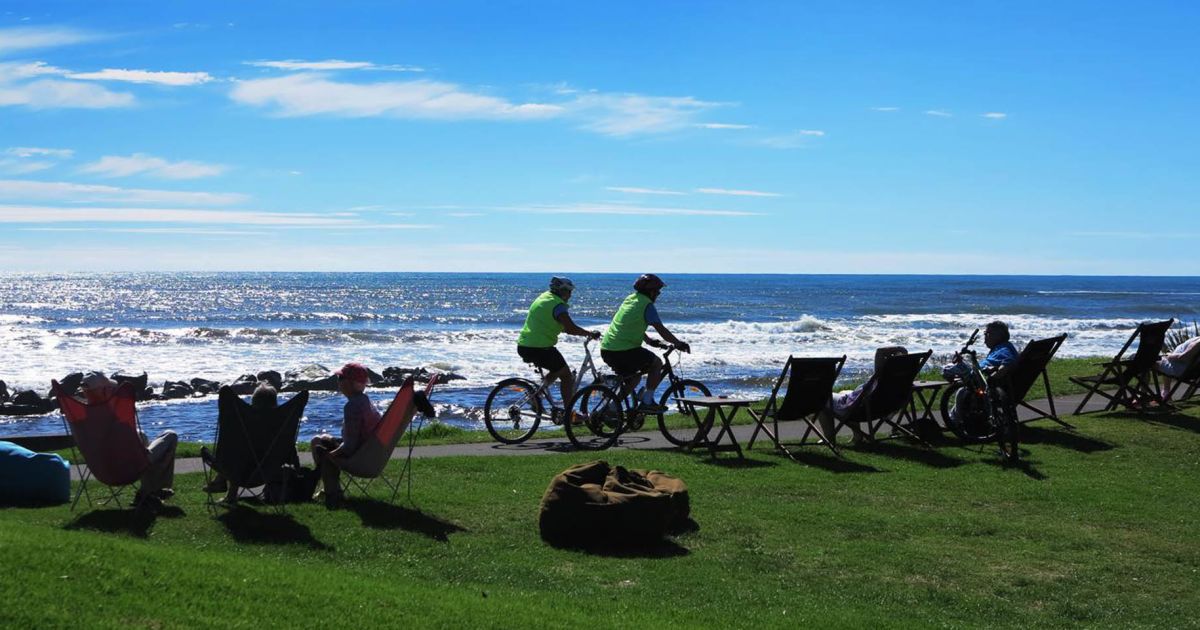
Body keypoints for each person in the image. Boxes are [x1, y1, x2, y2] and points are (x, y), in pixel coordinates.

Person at [80, 372, 178, 510]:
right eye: (109, 388)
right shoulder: (112, 414)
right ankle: (150, 492)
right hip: (127, 468)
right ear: (103, 390)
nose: (112, 390)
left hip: (101, 468)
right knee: (170, 435)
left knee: (141, 435)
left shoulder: (82, 414)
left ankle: (149, 491)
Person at [599, 274, 690, 412]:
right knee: (656, 364)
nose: (659, 293)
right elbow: (660, 329)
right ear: (651, 291)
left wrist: (648, 340)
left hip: (607, 349)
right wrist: (678, 343)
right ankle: (647, 401)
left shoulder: (630, 299)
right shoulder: (647, 305)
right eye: (657, 290)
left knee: (634, 378)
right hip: (624, 350)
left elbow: (629, 325)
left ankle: (610, 409)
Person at [516, 276, 602, 418]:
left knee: (557, 370)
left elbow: (549, 322)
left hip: (525, 345)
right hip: (540, 347)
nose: (570, 295)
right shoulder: (558, 305)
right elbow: (570, 328)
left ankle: (536, 393)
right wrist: (589, 333)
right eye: (569, 292)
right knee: (566, 376)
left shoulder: (543, 298)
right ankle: (569, 413)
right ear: (563, 291)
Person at [310, 362, 381, 508]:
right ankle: (328, 488)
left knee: (321, 450)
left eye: (341, 379)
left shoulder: (352, 407)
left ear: (350, 383)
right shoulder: (364, 400)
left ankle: (332, 493)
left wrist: (331, 454)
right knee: (319, 439)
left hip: (358, 456)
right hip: (369, 452)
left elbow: (349, 446)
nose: (338, 382)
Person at [205, 383, 287, 505]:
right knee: (242, 453)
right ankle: (222, 484)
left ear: (254, 400)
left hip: (239, 470)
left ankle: (226, 488)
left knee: (237, 451)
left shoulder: (245, 423)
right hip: (268, 470)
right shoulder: (282, 423)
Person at [818, 346, 908, 444]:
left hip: (862, 409)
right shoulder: (900, 381)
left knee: (822, 398)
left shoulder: (881, 378)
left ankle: (829, 439)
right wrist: (903, 351)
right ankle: (857, 436)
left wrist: (900, 348)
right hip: (882, 408)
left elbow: (880, 351)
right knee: (844, 392)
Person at [1159, 335, 1200, 402]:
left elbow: (1183, 357)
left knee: (1150, 362)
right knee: (1162, 362)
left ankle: (1142, 397)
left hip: (1182, 369)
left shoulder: (1198, 343)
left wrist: (1169, 355)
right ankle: (1166, 392)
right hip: (1188, 369)